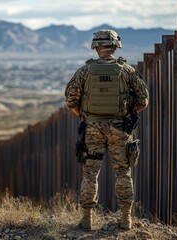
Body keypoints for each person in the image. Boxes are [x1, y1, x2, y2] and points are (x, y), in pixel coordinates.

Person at [64, 29, 149, 230]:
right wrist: (126, 113)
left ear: (96, 47)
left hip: (92, 128)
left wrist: (83, 115)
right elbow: (143, 100)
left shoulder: (85, 71)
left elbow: (70, 100)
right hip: (120, 128)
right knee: (123, 172)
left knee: (90, 174)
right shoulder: (126, 70)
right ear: (115, 45)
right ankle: (126, 218)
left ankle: (86, 219)